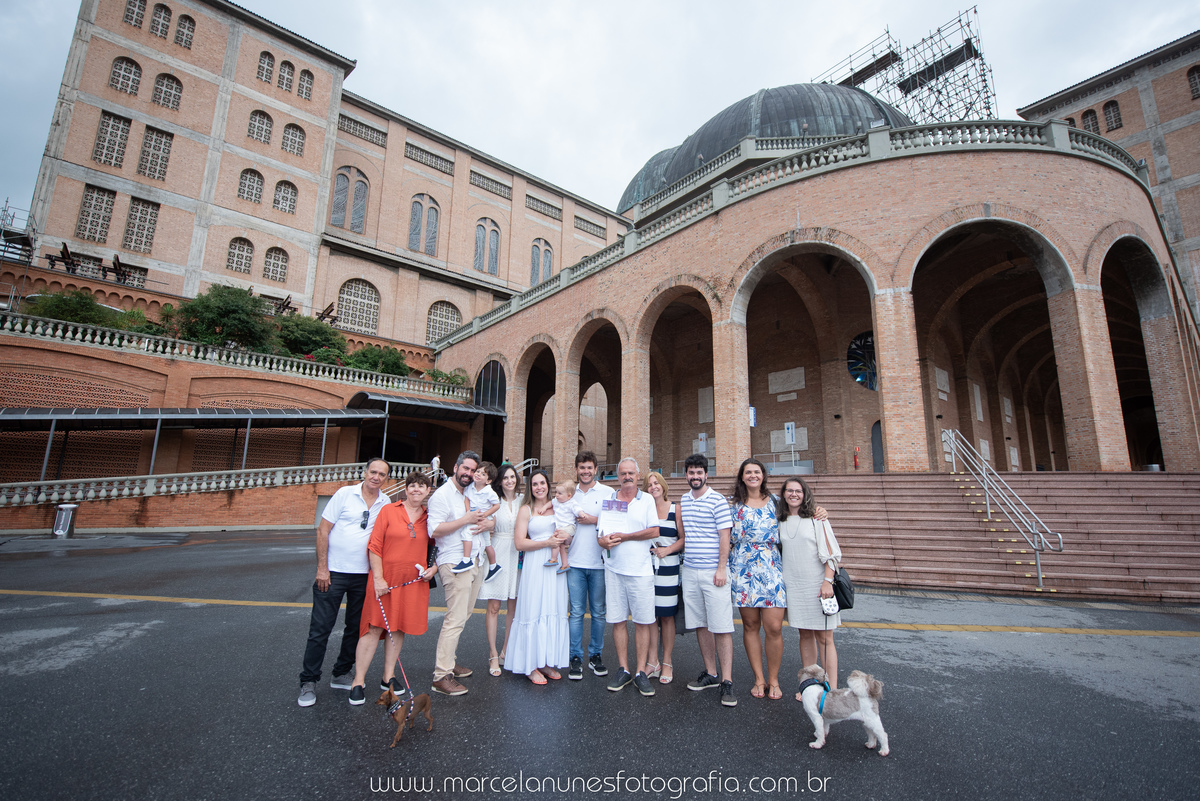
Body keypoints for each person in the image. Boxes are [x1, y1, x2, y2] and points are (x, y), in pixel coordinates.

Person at [297, 457, 391, 707]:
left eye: (382, 474)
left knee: (355, 629)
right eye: (373, 472)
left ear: (386, 479)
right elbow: (323, 530)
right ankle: (308, 681)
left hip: (364, 575)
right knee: (320, 629)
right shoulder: (344, 494)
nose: (376, 477)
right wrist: (322, 568)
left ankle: (341, 672)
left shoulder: (386, 502)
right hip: (333, 573)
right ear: (365, 472)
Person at [348, 471, 438, 704]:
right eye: (412, 486)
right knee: (373, 628)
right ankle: (358, 681)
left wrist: (434, 569)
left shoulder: (431, 518)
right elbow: (374, 546)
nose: (416, 489)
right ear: (405, 489)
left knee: (397, 628)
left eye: (421, 486)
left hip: (411, 584)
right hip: (384, 581)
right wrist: (378, 579)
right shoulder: (389, 510)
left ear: (428, 491)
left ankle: (388, 676)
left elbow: (442, 547)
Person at [427, 450, 494, 696]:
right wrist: (465, 520)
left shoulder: (469, 493)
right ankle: (440, 675)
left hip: (474, 559)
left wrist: (489, 523)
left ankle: (449, 662)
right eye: (464, 468)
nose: (468, 473)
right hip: (454, 562)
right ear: (455, 468)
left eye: (472, 470)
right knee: (454, 619)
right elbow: (434, 530)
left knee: (464, 615)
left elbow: (487, 515)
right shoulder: (442, 495)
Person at [677, 453, 737, 707]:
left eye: (699, 472)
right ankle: (711, 673)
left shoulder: (718, 501)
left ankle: (727, 681)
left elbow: (725, 536)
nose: (695, 476)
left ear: (706, 474)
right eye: (691, 472)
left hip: (714, 572)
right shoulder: (684, 500)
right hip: (690, 571)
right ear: (687, 475)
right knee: (700, 624)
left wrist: (722, 568)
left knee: (721, 626)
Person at [598, 458, 660, 697]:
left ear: (638, 475)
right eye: (623, 473)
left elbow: (654, 531)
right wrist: (603, 541)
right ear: (618, 475)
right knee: (618, 620)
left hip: (640, 570)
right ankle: (624, 669)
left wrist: (625, 537)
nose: (627, 477)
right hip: (614, 569)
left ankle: (641, 671)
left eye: (631, 473)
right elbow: (600, 536)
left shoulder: (646, 500)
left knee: (643, 621)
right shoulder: (610, 501)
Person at [504, 470, 570, 683]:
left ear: (548, 485)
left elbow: (567, 532)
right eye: (534, 484)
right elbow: (519, 543)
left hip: (555, 564)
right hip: (535, 563)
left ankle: (544, 661)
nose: (539, 487)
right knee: (533, 609)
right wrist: (546, 543)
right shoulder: (526, 510)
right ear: (530, 488)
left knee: (551, 608)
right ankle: (529, 664)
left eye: (542, 483)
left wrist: (565, 539)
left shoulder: (557, 506)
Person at [729, 458, 787, 700]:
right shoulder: (733, 505)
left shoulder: (777, 502)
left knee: (774, 627)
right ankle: (759, 679)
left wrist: (820, 511)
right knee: (751, 626)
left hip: (771, 566)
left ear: (763, 475)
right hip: (743, 568)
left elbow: (802, 514)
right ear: (742, 477)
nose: (753, 475)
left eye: (757, 471)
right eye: (748, 472)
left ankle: (774, 679)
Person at [779, 477, 844, 690]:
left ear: (805, 494)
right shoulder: (781, 519)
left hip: (818, 585)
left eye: (798, 491)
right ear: (784, 494)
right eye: (789, 490)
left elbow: (832, 554)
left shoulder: (817, 518)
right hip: (794, 586)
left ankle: (831, 687)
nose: (794, 494)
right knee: (804, 634)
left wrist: (827, 581)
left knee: (825, 638)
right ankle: (811, 684)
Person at [565, 450, 615, 680]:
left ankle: (595, 655)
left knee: (598, 612)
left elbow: (616, 521)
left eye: (589, 468)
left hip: (599, 562)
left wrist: (593, 520)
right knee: (575, 612)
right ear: (576, 469)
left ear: (596, 469)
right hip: (574, 562)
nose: (585, 471)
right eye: (581, 467)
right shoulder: (568, 493)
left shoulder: (608, 492)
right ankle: (575, 656)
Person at [479, 463, 523, 677]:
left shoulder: (524, 501)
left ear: (517, 479)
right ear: (500, 481)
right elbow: (486, 523)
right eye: (505, 477)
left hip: (518, 554)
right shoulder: (494, 501)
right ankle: (493, 653)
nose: (509, 481)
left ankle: (507, 649)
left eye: (512, 477)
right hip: (498, 551)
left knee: (513, 607)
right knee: (494, 606)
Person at [645, 471, 683, 685]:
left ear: (663, 485)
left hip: (668, 567)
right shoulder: (645, 508)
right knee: (649, 614)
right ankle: (653, 661)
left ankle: (667, 661)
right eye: (649, 484)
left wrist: (667, 551)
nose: (653, 487)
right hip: (647, 567)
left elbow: (683, 538)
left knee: (667, 616)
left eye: (656, 483)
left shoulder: (675, 508)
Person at [457, 461, 502, 580]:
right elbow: (466, 499)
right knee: (486, 543)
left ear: (488, 481)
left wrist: (485, 515)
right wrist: (468, 512)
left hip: (483, 518)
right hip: (472, 515)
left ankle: (467, 560)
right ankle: (494, 566)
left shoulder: (489, 492)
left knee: (467, 533)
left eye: (483, 474)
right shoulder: (470, 487)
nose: (478, 474)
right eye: (478, 471)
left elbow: (497, 505)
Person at [546, 479, 581, 572]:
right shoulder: (556, 501)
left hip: (569, 527)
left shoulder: (571, 503)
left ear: (569, 496)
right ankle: (565, 564)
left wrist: (581, 514)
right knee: (561, 546)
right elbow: (551, 503)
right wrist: (544, 507)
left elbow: (577, 509)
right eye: (556, 492)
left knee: (556, 539)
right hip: (562, 528)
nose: (557, 495)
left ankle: (554, 558)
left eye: (560, 493)